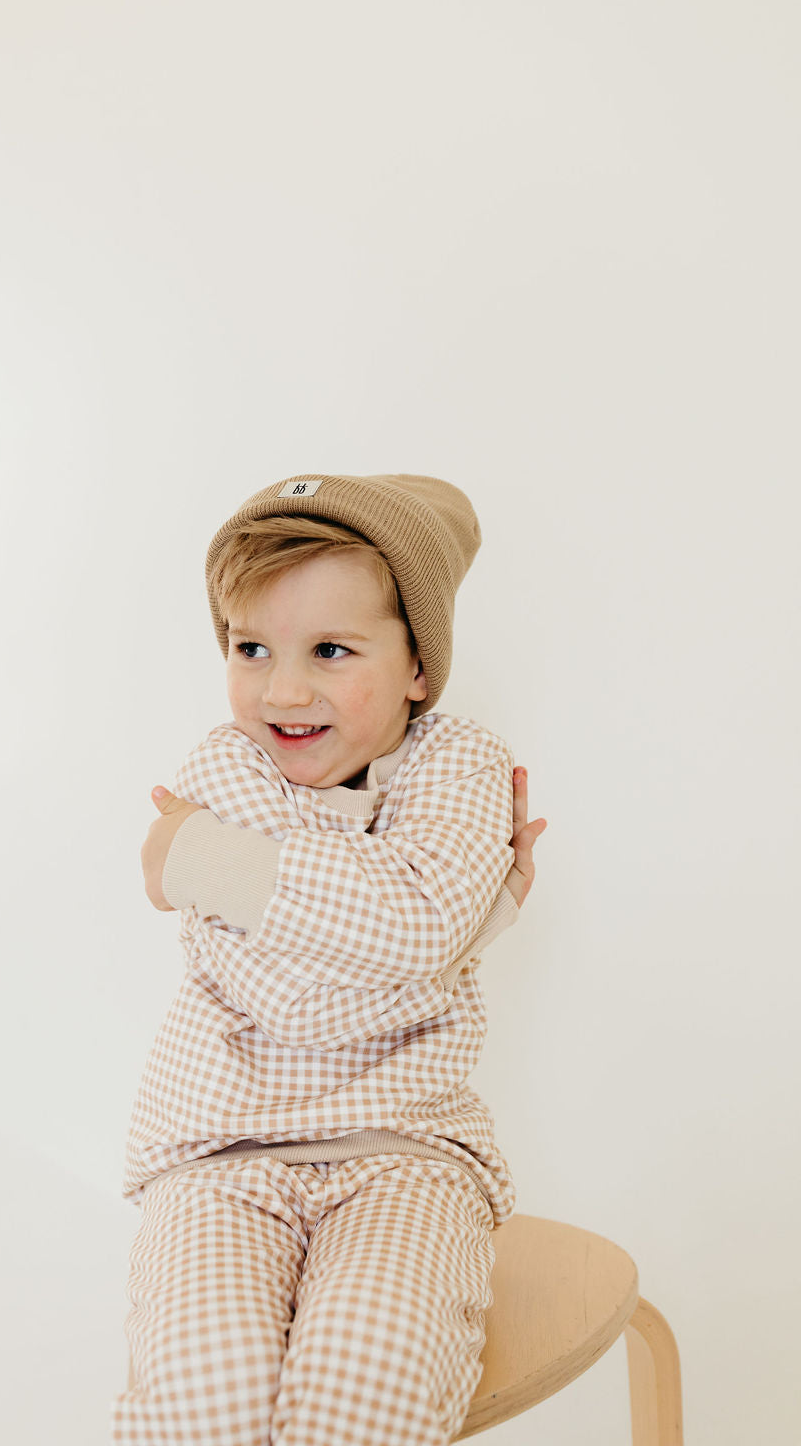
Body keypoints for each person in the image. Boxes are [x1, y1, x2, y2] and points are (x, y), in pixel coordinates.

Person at [112, 473, 547, 1446]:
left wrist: (204, 861)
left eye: (332, 650)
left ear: (417, 670)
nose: (284, 689)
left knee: (370, 1365)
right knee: (202, 1384)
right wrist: (458, 922)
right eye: (250, 647)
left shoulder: (462, 762)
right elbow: (321, 983)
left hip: (403, 1148)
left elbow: (397, 939)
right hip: (220, 1152)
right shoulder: (225, 765)